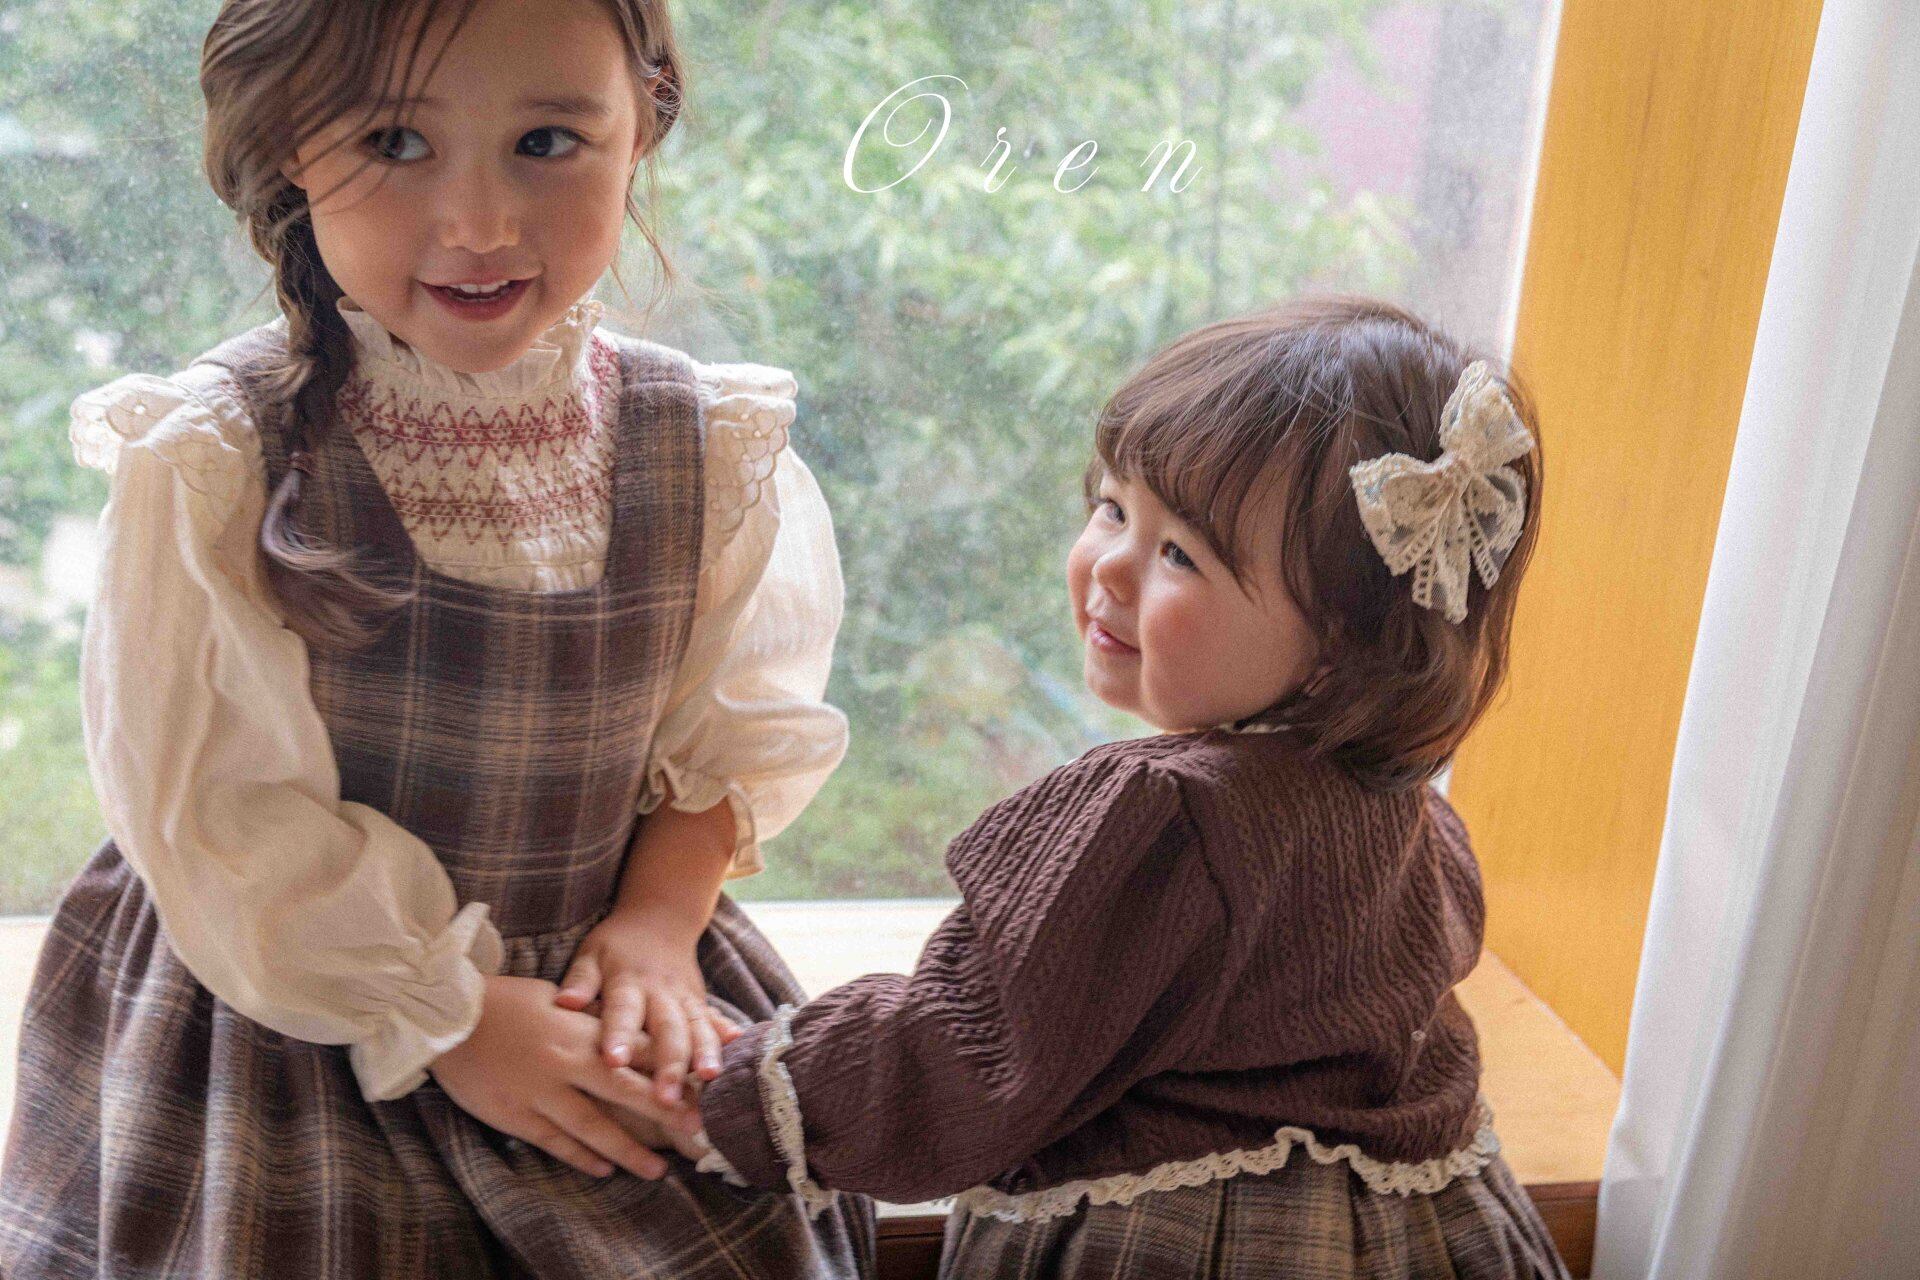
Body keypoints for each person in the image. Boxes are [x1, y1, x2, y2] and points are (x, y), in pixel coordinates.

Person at [0, 1, 873, 1275]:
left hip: (600, 1004)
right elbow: (213, 811)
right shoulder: (218, 456)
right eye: (396, 142)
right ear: (291, 145)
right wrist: (443, 1009)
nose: (480, 222)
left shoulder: (706, 445)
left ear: (641, 127)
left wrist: (656, 922)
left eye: (547, 142)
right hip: (287, 1033)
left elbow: (725, 739)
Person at [670, 297, 1573, 1278]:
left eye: (1179, 553)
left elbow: (964, 1050)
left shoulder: (1166, 815)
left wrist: (734, 1093)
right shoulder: (1407, 813)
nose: (1109, 567)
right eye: (1111, 507)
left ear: (1342, 643)